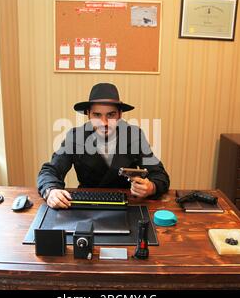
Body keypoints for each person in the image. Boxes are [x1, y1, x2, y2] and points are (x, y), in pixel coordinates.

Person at [37, 83, 170, 209]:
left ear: (119, 115)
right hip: (84, 205)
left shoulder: (134, 135)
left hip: (126, 206)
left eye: (111, 115)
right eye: (97, 115)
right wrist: (51, 191)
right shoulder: (75, 136)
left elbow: (160, 175)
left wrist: (151, 187)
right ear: (88, 114)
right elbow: (50, 171)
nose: (104, 122)